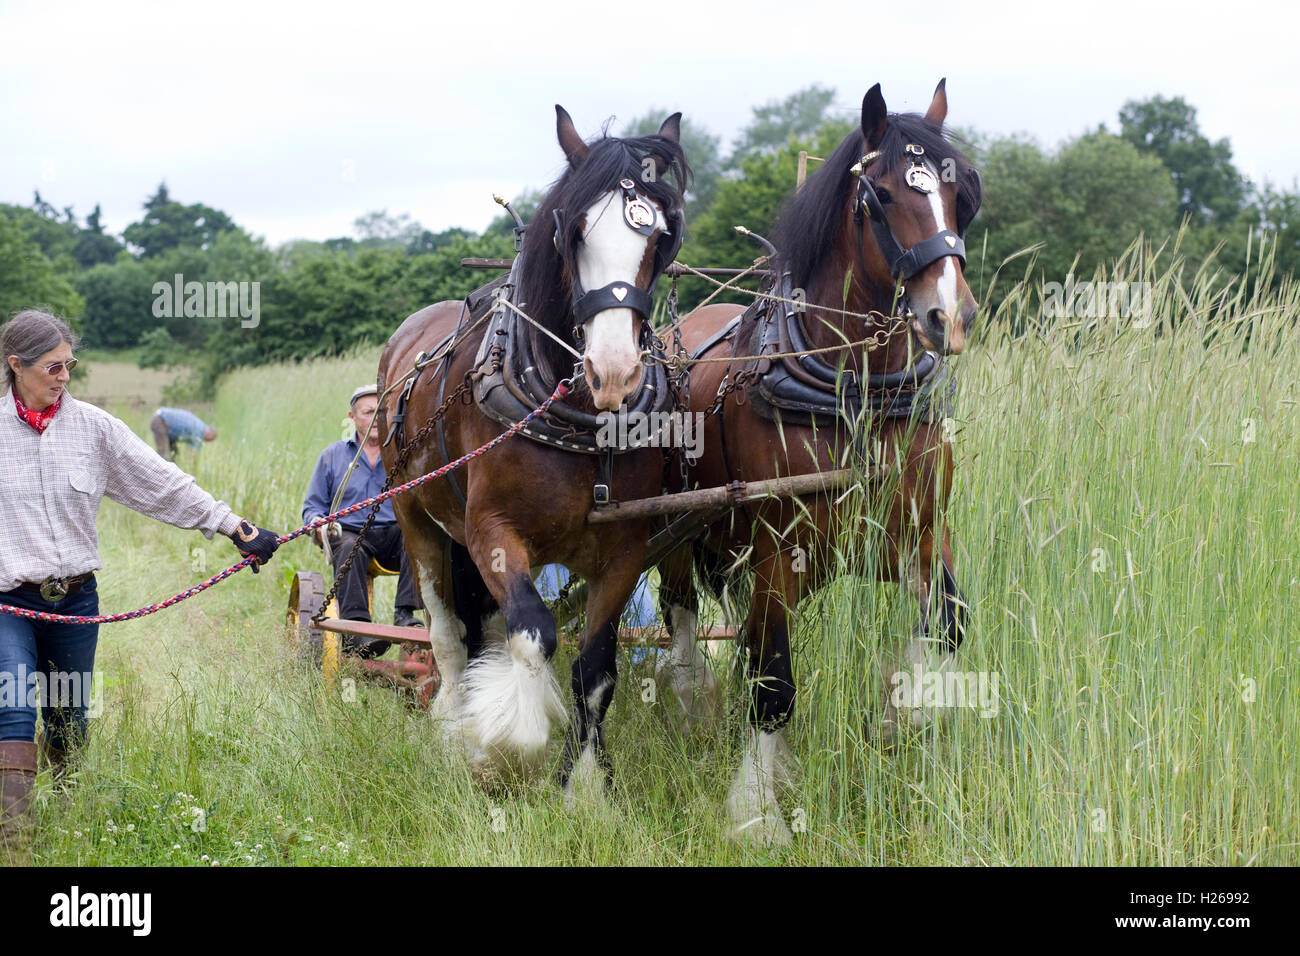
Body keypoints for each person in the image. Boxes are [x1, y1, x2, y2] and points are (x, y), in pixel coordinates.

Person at [0, 309, 279, 862]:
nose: (63, 376)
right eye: (52, 366)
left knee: (68, 714)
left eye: (69, 365)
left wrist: (232, 526)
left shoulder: (95, 429)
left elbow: (162, 483)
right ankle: (17, 844)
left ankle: (67, 809)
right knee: (11, 704)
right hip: (8, 601)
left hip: (76, 599)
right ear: (16, 366)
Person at [302, 384, 423, 659]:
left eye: (382, 411)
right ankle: (358, 632)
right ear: (353, 417)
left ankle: (405, 616)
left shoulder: (402, 454)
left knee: (416, 535)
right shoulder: (332, 456)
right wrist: (318, 522)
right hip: (350, 532)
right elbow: (312, 507)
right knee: (347, 546)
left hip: (394, 533)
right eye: (369, 412)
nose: (377, 418)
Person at [149, 406, 217, 459]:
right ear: (209, 436)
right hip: (161, 421)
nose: (205, 441)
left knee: (174, 456)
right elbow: (191, 455)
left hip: (164, 422)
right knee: (165, 455)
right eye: (209, 440)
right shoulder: (199, 433)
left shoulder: (201, 425)